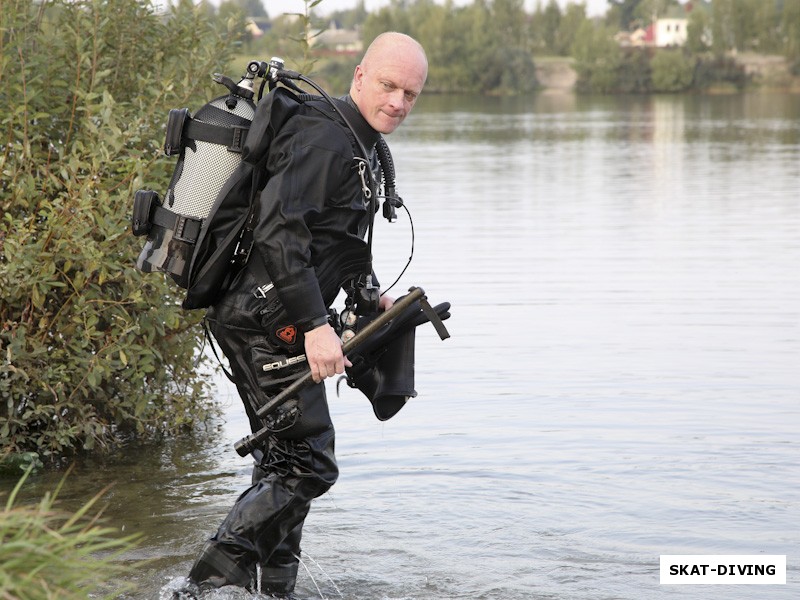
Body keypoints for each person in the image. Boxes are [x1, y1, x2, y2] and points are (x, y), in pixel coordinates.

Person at [174, 32, 428, 599]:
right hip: (262, 320)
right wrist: (316, 326)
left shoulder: (357, 141)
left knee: (284, 463)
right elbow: (278, 230)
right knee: (308, 466)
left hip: (273, 314)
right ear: (359, 76)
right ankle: (196, 589)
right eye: (388, 86)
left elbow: (337, 239)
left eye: (411, 93)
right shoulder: (326, 137)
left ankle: (276, 591)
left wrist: (369, 299)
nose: (398, 102)